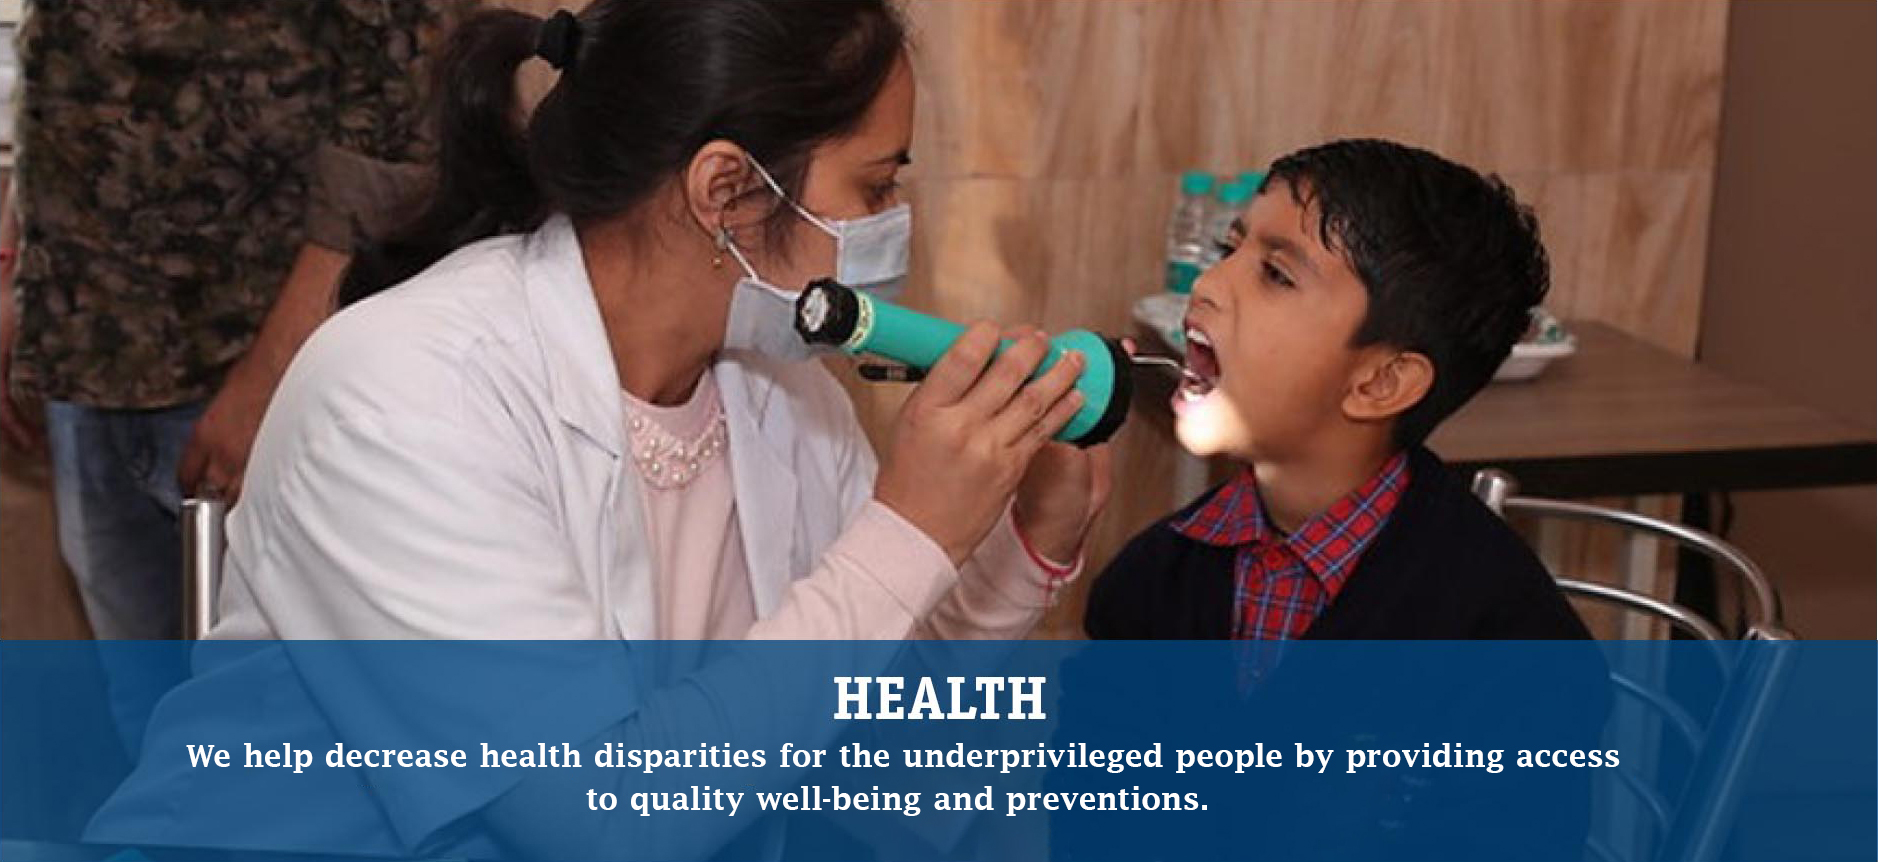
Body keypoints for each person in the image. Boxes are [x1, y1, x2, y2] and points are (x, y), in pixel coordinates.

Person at [89, 3, 1106, 857]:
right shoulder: (404, 395)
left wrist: (1017, 552)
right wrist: (909, 531)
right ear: (725, 191)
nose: (891, 221)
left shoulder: (791, 402)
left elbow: (865, 765)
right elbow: (601, 818)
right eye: (876, 185)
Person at [0, 0, 456, 641]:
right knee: (144, 687)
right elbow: (64, 53)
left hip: (252, 370)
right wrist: (15, 266)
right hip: (87, 358)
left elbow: (401, 114)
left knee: (272, 689)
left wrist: (276, 375)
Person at [1086, 139, 1590, 641]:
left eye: (1276, 275)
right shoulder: (1149, 584)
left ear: (1380, 382)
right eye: (1228, 250)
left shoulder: (1508, 638)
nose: (1207, 284)